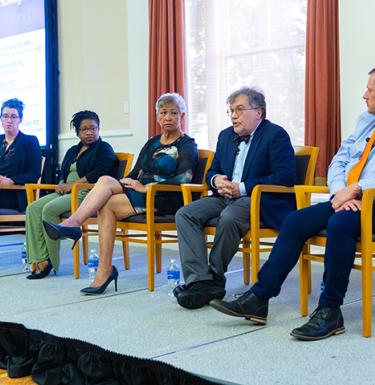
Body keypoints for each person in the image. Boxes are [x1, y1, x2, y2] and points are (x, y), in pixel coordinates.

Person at [210, 68, 375, 341]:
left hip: (369, 198)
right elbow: (339, 161)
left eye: (370, 90)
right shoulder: (365, 122)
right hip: (347, 197)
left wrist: (357, 189)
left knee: (340, 224)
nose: (364, 95)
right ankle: (259, 298)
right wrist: (338, 192)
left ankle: (330, 309)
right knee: (295, 220)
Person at [43, 93, 198, 294]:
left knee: (105, 200)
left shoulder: (187, 144)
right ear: (158, 116)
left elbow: (184, 178)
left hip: (163, 197)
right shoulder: (152, 143)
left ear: (182, 116)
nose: (168, 117)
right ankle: (97, 260)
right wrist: (128, 181)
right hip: (138, 193)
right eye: (163, 112)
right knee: (105, 184)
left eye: (173, 113)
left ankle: (79, 233)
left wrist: (147, 187)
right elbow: (135, 172)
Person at [174, 86, 296, 310]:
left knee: (229, 216)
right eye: (230, 110)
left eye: (239, 109)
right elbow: (212, 171)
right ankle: (199, 280)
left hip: (259, 199)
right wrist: (216, 181)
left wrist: (241, 188)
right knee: (185, 214)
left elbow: (285, 177)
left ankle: (215, 277)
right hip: (225, 196)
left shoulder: (275, 135)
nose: (234, 115)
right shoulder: (225, 135)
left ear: (258, 112)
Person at [25, 110, 118, 279]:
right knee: (33, 208)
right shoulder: (73, 151)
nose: (90, 132)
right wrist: (61, 184)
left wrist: (72, 186)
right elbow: (64, 172)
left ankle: (50, 261)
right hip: (68, 192)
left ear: (99, 128)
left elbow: (101, 172)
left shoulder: (104, 148)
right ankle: (38, 257)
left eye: (93, 128)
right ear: (77, 132)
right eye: (84, 129)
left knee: (49, 209)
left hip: (87, 195)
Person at [0, 98, 42, 211]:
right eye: (5, 116)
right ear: (1, 119)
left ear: (20, 119)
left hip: (15, 194)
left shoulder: (30, 141)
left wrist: (11, 180)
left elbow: (34, 173)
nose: (9, 120)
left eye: (13, 116)